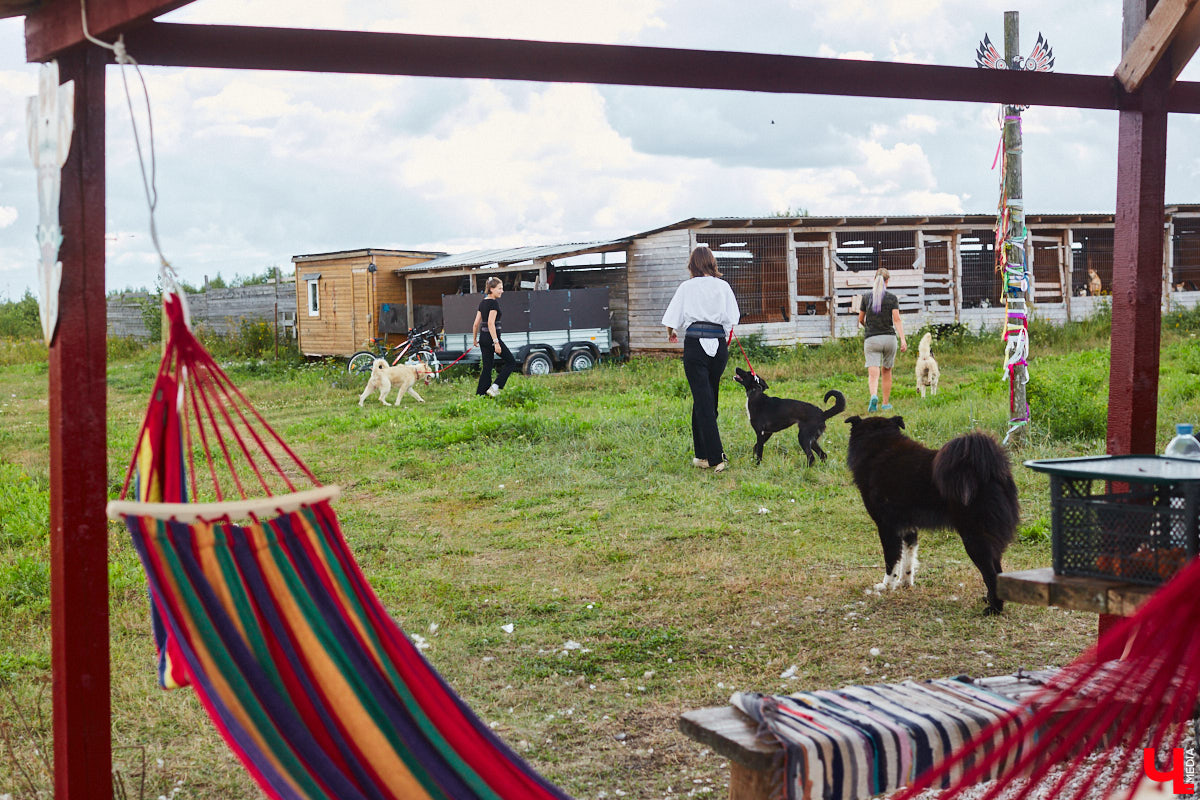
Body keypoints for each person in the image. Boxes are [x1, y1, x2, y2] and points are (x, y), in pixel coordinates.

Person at [661, 245, 741, 472]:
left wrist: (672, 333)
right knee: (707, 400)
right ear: (712, 263)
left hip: (695, 345)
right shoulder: (723, 286)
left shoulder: (687, 287)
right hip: (718, 346)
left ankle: (716, 458)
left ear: (693, 265)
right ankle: (701, 456)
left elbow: (671, 321)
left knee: (704, 402)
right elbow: (732, 319)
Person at [857, 267, 907, 412]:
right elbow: (897, 320)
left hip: (872, 339)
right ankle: (885, 404)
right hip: (889, 339)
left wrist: (867, 326)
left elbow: (860, 319)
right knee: (887, 371)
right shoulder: (892, 298)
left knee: (873, 374)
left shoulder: (866, 297)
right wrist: (903, 339)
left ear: (874, 279)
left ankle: (874, 396)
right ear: (887, 281)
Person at [472, 276, 518, 397]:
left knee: (487, 367)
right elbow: (490, 323)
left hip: (483, 338)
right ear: (491, 289)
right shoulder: (493, 303)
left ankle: (481, 394)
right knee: (511, 362)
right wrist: (496, 342)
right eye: (499, 288)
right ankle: (495, 387)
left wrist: (474, 339)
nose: (502, 291)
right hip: (492, 339)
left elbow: (476, 323)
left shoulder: (482, 303)